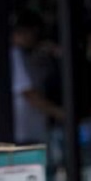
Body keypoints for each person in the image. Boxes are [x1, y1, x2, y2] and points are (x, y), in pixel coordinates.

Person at [10, 10, 63, 144]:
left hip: (35, 129)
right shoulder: (15, 55)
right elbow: (29, 94)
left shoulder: (30, 55)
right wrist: (59, 113)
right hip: (25, 132)